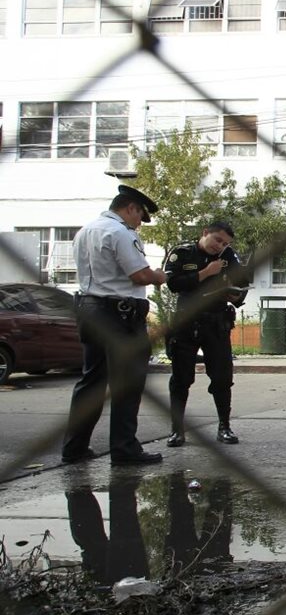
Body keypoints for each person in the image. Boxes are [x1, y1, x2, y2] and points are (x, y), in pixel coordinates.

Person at [61, 185, 166, 466]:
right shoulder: (120, 232)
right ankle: (124, 449)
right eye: (139, 217)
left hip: (89, 309)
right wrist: (158, 276)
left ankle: (74, 448)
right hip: (119, 316)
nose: (139, 224)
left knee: (91, 382)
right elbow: (139, 275)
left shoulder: (86, 231)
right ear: (130, 208)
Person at [164, 221, 247, 447]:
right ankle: (177, 430)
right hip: (186, 322)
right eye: (217, 240)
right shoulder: (182, 253)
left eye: (225, 243)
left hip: (216, 322)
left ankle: (224, 427)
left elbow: (243, 284)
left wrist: (235, 296)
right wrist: (205, 273)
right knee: (181, 379)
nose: (220, 246)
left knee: (222, 377)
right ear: (205, 233)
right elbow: (173, 284)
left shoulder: (230, 257)